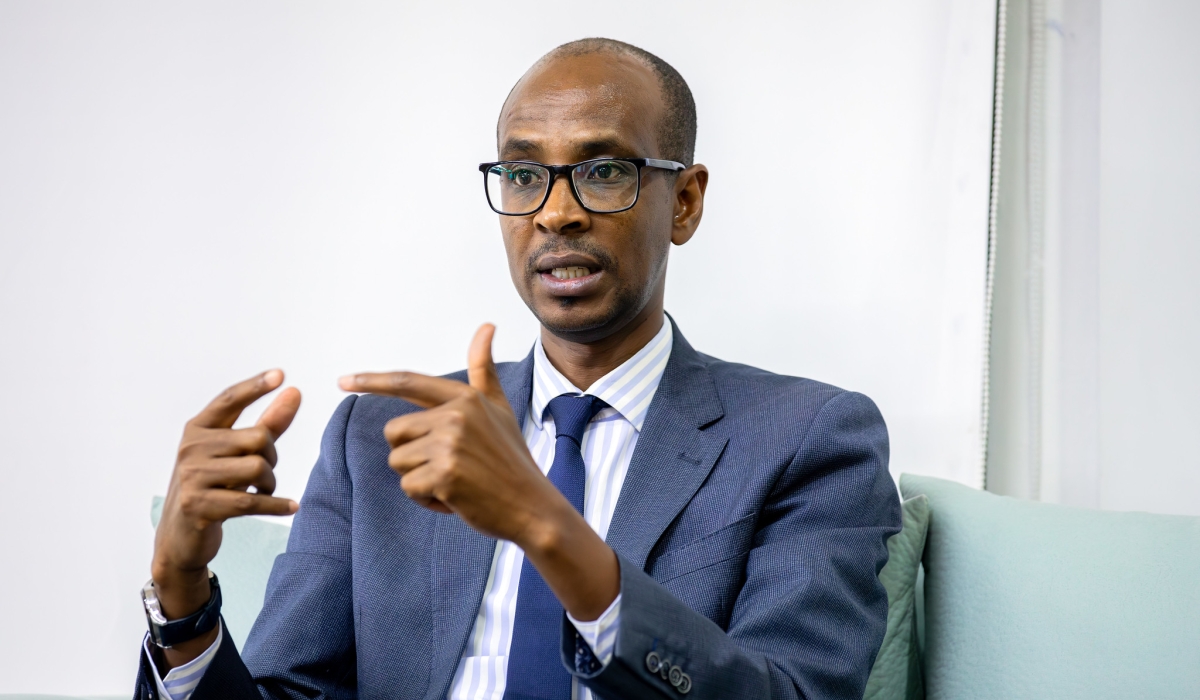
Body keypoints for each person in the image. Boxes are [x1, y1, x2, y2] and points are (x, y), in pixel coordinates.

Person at [135, 37, 901, 700]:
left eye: (604, 170)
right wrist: (181, 595)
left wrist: (543, 523)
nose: (555, 212)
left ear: (685, 203)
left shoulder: (807, 437)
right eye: (524, 175)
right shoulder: (379, 438)